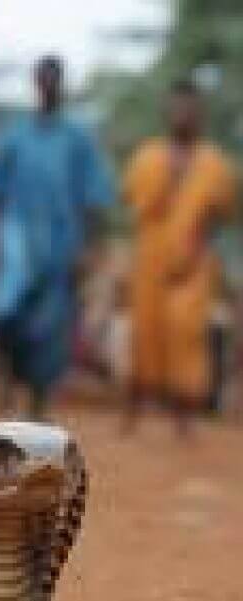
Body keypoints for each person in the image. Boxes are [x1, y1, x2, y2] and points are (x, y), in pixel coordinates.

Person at [0, 55, 113, 419]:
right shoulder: (14, 136)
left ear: (62, 85)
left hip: (60, 246)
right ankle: (4, 389)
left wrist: (88, 248)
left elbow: (93, 197)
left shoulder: (78, 139)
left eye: (55, 79)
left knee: (51, 328)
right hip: (16, 244)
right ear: (35, 84)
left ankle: (39, 404)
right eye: (43, 79)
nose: (49, 85)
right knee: (6, 318)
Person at [123, 80, 236, 438]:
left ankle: (182, 418)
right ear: (166, 112)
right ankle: (132, 412)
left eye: (190, 108)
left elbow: (224, 212)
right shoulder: (147, 156)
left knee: (186, 333)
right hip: (150, 258)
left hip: (193, 263)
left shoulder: (215, 163)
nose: (183, 114)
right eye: (177, 107)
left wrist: (200, 246)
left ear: (200, 114)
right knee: (144, 332)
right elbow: (133, 203)